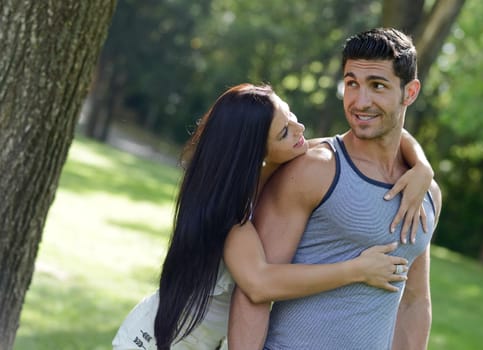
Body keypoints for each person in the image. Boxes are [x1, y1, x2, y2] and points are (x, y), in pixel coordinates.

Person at [112, 82, 434, 350]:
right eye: (284, 132)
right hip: (156, 341)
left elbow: (384, 135)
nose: (299, 129)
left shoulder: (285, 161)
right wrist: (357, 269)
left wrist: (421, 166)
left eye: (290, 115)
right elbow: (259, 282)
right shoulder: (228, 210)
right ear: (257, 151)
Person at [228, 28, 443, 350]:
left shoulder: (426, 193)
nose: (360, 101)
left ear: (409, 93)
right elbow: (254, 290)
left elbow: (414, 303)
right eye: (352, 83)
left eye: (377, 86)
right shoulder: (314, 170)